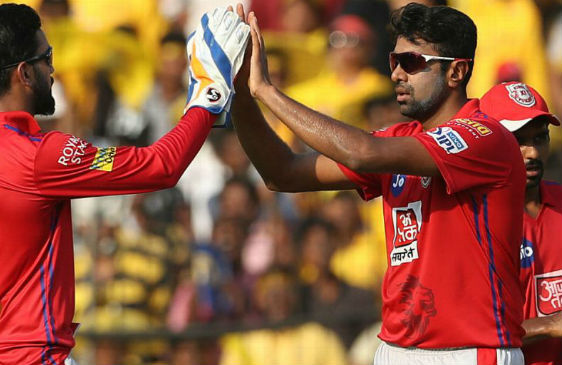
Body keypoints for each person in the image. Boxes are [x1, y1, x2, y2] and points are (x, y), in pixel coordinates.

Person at [0, 4, 249, 365]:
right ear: (24, 73)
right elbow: (161, 167)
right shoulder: (40, 156)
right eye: (46, 57)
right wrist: (208, 96)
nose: (53, 69)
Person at [231, 2, 526, 364]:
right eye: (394, 61)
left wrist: (267, 90)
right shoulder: (396, 139)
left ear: (457, 72)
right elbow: (283, 172)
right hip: (396, 349)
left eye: (413, 63)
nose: (397, 74)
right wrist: (243, 95)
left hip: (471, 350)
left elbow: (361, 153)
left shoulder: (485, 136)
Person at [479, 82, 562, 365]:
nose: (533, 153)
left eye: (540, 138)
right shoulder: (469, 219)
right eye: (517, 140)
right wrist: (549, 325)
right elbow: (467, 328)